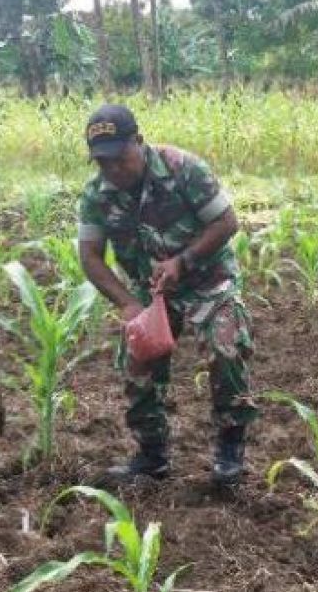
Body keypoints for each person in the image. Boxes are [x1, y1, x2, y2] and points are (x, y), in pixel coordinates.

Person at [77, 104, 258, 487]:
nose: (112, 170)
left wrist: (184, 261)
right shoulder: (97, 195)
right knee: (137, 361)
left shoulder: (182, 168)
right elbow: (90, 257)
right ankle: (152, 455)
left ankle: (230, 451)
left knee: (225, 347)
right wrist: (128, 303)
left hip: (210, 280)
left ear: (138, 143)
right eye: (102, 162)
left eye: (119, 158)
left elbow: (227, 222)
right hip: (153, 292)